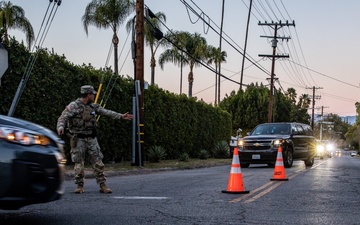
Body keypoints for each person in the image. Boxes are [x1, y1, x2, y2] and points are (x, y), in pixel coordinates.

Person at [57, 85, 133, 194]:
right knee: (78, 163)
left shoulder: (93, 107)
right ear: (88, 95)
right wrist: (60, 127)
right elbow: (63, 117)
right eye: (93, 94)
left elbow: (106, 112)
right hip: (78, 139)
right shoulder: (74, 106)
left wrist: (120, 116)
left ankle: (102, 185)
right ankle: (79, 186)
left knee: (98, 162)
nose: (94, 96)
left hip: (91, 138)